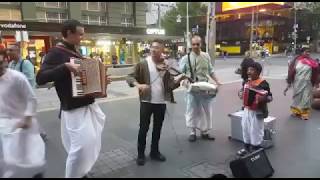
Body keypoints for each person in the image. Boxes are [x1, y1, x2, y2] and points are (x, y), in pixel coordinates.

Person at [36, 19, 111, 178]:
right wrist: (64, 67)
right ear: (69, 33)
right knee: (79, 149)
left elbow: (84, 80)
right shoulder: (55, 53)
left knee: (89, 143)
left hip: (86, 105)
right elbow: (40, 78)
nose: (82, 37)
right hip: (73, 108)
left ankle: (82, 172)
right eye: (80, 34)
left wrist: (103, 82)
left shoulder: (76, 52)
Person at [127, 39, 186, 166]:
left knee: (157, 129)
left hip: (160, 103)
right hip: (146, 102)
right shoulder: (143, 63)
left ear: (162, 50)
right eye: (152, 47)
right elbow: (129, 77)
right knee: (143, 129)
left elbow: (170, 86)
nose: (154, 50)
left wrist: (179, 79)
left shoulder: (166, 65)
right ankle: (141, 154)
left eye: (157, 48)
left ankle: (154, 152)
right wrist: (139, 85)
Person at [0, 49, 42, 177]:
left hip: (23, 125)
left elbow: (31, 98)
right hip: (4, 126)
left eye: (0, 62)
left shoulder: (17, 77)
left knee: (33, 161)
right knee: (11, 161)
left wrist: (27, 118)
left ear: (4, 61)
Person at [179, 35, 222, 142]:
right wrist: (184, 81)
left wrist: (217, 81)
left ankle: (205, 131)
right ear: (191, 45)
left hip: (205, 87)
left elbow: (211, 70)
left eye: (197, 44)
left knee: (206, 110)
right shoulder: (186, 58)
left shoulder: (206, 56)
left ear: (201, 44)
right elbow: (181, 73)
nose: (195, 46)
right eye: (193, 44)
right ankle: (192, 132)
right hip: (192, 88)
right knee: (192, 110)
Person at [237, 62, 273, 156]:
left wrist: (263, 98)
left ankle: (255, 148)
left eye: (252, 70)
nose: (249, 72)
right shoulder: (246, 82)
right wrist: (240, 94)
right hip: (246, 110)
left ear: (258, 72)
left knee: (255, 130)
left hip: (258, 111)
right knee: (245, 128)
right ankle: (246, 147)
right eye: (248, 70)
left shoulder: (263, 83)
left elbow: (270, 97)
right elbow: (241, 91)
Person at [285, 47, 319, 120]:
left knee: (306, 98)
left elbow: (316, 72)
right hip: (297, 83)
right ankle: (296, 111)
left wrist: (316, 83)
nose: (308, 53)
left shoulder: (312, 62)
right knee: (297, 98)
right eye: (306, 52)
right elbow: (291, 72)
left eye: (309, 52)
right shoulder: (296, 61)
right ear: (302, 52)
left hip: (307, 83)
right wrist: (289, 82)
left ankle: (304, 113)